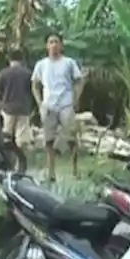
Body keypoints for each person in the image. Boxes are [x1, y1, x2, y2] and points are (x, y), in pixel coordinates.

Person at [31, 32, 84, 181]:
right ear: (46, 46)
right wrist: (39, 103)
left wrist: (75, 99)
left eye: (56, 42)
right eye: (51, 42)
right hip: (49, 105)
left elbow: (79, 80)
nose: (54, 45)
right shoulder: (41, 65)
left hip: (66, 104)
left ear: (61, 45)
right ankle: (51, 173)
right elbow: (34, 85)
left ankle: (75, 170)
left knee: (72, 138)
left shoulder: (69, 62)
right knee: (48, 140)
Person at [0, 49, 33, 147]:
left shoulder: (3, 73)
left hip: (7, 108)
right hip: (23, 108)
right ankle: (21, 158)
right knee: (22, 138)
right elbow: (31, 91)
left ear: (8, 59)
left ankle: (9, 158)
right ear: (22, 59)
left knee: (6, 136)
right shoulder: (28, 73)